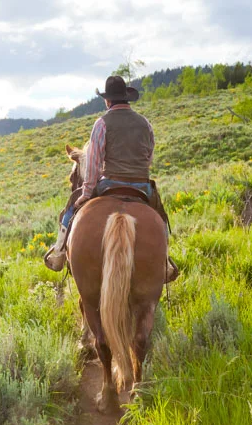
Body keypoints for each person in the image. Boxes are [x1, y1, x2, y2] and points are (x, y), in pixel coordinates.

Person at [44, 75, 179, 281]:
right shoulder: (145, 124)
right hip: (142, 186)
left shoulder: (102, 123)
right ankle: (165, 261)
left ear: (108, 100)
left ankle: (60, 252)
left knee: (71, 207)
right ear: (126, 98)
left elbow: (94, 163)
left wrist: (87, 192)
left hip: (110, 182)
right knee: (160, 217)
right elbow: (149, 157)